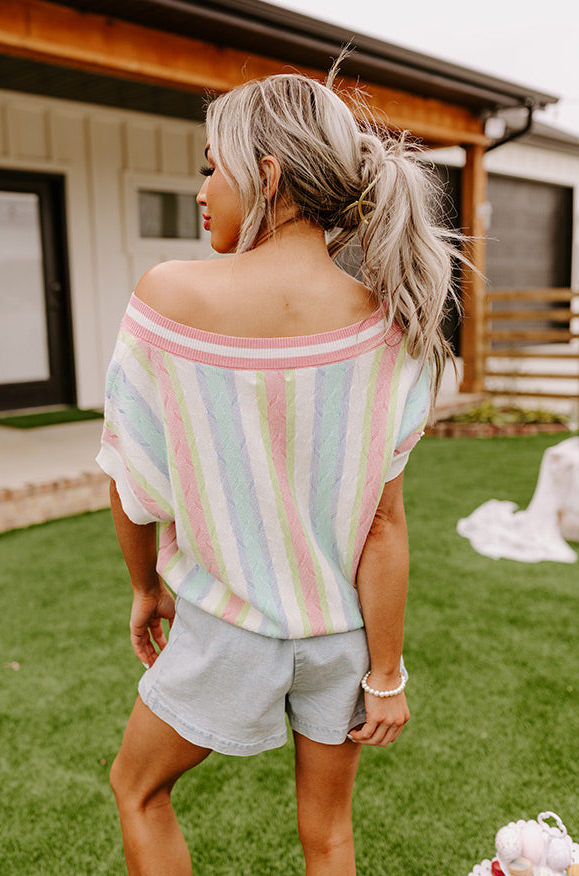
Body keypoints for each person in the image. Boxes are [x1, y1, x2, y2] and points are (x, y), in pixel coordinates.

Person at [96, 62, 458, 876]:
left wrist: (146, 588)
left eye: (210, 168)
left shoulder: (168, 295)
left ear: (266, 175)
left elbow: (128, 478)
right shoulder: (391, 326)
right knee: (329, 837)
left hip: (227, 630)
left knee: (138, 789)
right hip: (342, 641)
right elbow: (384, 527)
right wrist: (386, 674)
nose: (200, 191)